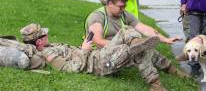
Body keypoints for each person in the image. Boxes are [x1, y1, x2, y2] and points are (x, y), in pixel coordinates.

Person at [18, 23, 183, 91]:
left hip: (98, 55)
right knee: (135, 50)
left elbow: (73, 55)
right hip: (100, 64)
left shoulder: (49, 45)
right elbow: (70, 69)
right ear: (39, 41)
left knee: (126, 30)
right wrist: (84, 50)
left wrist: (86, 48)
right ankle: (156, 84)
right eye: (44, 35)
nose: (48, 35)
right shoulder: (48, 54)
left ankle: (136, 41)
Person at [85, 0, 189, 91]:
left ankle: (170, 70)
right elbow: (98, 41)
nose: (123, 9)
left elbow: (144, 28)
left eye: (124, 6)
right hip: (100, 59)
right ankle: (156, 85)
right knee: (135, 46)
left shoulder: (123, 14)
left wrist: (166, 39)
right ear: (110, 4)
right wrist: (124, 47)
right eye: (120, 6)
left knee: (142, 48)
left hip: (119, 53)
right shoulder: (97, 17)